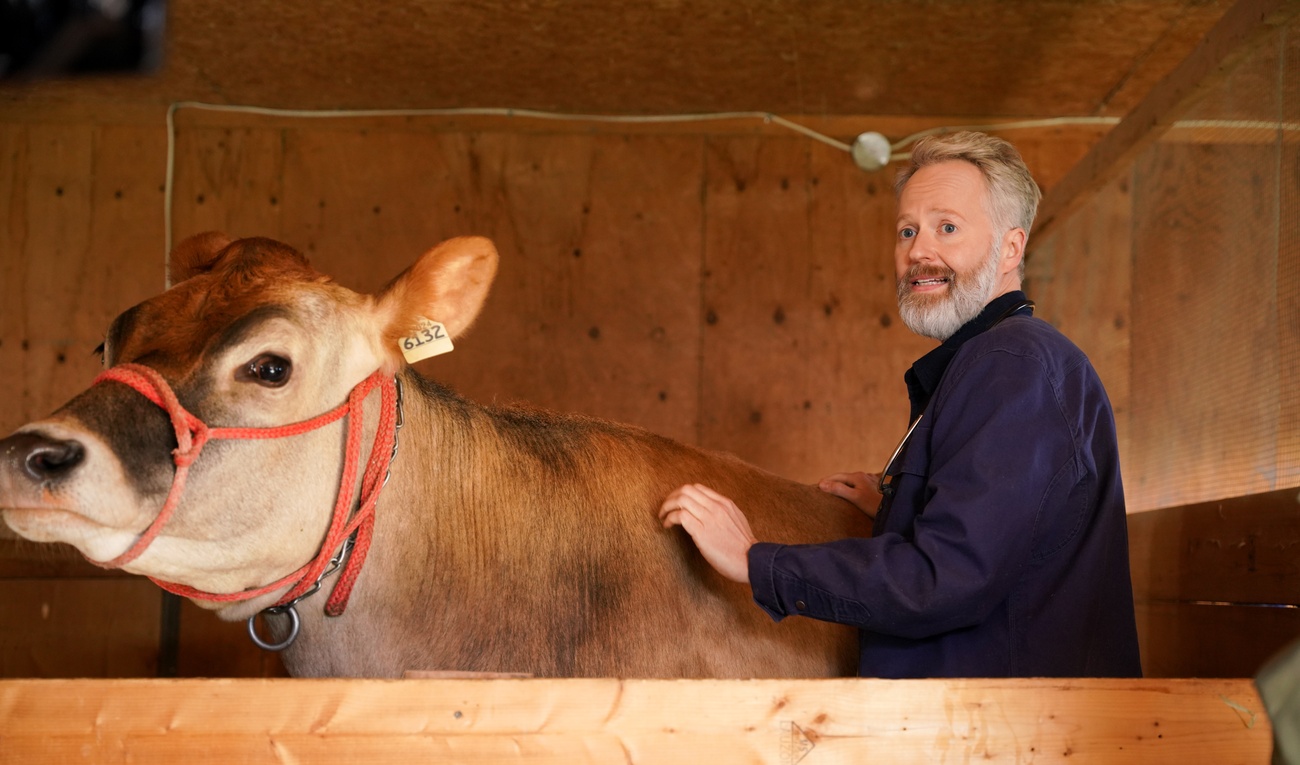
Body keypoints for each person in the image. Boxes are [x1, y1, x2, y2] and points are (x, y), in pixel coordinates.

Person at [659, 131, 1142, 678]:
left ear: (1011, 247)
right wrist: (900, 506)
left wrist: (755, 561)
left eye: (948, 227)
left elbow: (945, 577)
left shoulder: (1012, 363)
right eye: (907, 231)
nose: (918, 251)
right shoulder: (994, 359)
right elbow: (994, 538)